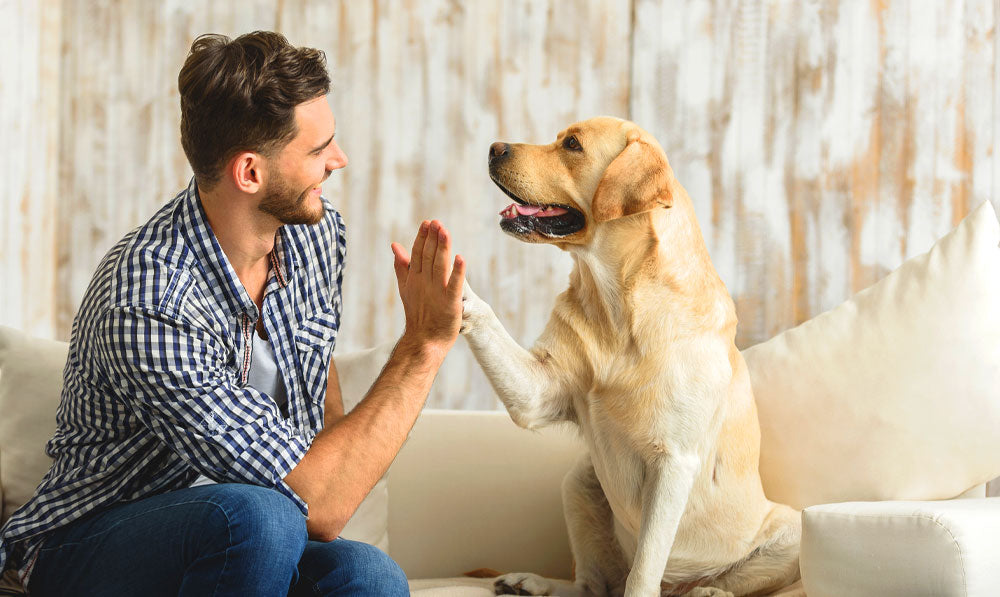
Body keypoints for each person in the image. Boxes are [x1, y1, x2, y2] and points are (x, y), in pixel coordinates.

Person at [0, 30, 465, 596]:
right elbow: (317, 504)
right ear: (250, 173)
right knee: (258, 516)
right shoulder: (148, 296)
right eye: (319, 150)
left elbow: (318, 386)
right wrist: (424, 345)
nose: (339, 161)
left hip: (248, 542)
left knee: (368, 576)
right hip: (91, 542)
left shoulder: (316, 237)